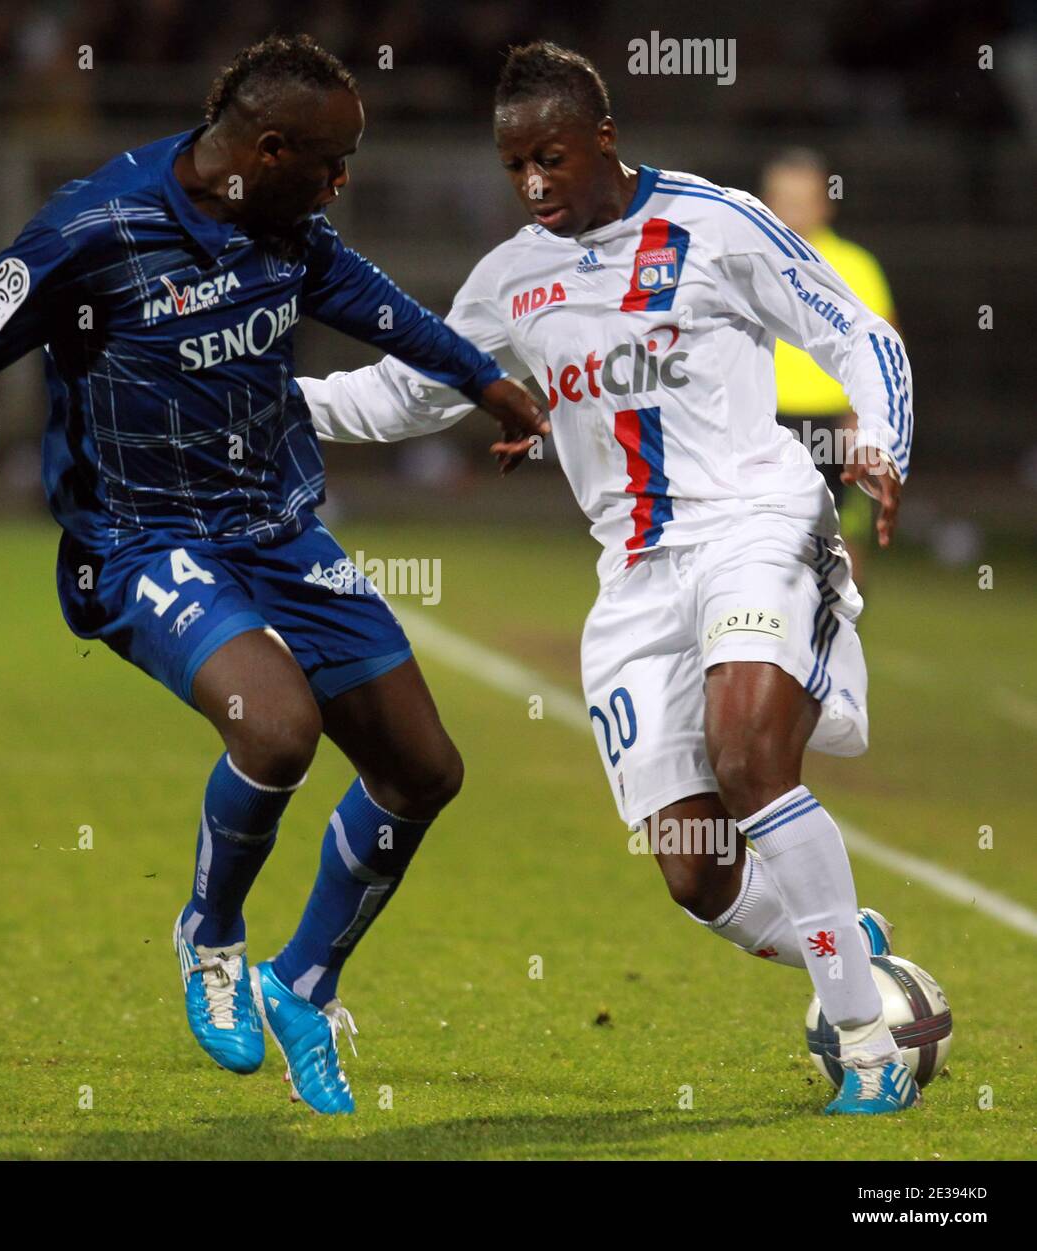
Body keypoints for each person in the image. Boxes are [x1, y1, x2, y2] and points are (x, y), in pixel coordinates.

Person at [0, 35, 545, 1117]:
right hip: (141, 542)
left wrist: (485, 382)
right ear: (270, 144)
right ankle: (209, 935)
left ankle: (298, 985)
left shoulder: (283, 223)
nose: (343, 183)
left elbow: (374, 304)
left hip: (279, 531)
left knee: (424, 770)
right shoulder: (92, 228)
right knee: (277, 726)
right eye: (332, 161)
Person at [300, 42, 917, 1114]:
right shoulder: (509, 280)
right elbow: (409, 395)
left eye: (549, 157)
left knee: (748, 756)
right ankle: (845, 946)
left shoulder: (714, 227)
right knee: (695, 870)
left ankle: (869, 1045)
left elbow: (856, 331)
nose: (533, 184)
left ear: (602, 140)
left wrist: (879, 437)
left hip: (753, 525)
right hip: (633, 578)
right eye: (512, 167)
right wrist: (271, 404)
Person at [764, 148, 898, 587]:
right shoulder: (751, 261)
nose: (796, 211)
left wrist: (863, 423)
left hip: (835, 423)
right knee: (763, 533)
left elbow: (884, 349)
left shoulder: (855, 266)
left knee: (841, 532)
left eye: (805, 200)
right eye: (785, 200)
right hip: (767, 421)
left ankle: (838, 628)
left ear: (826, 203)